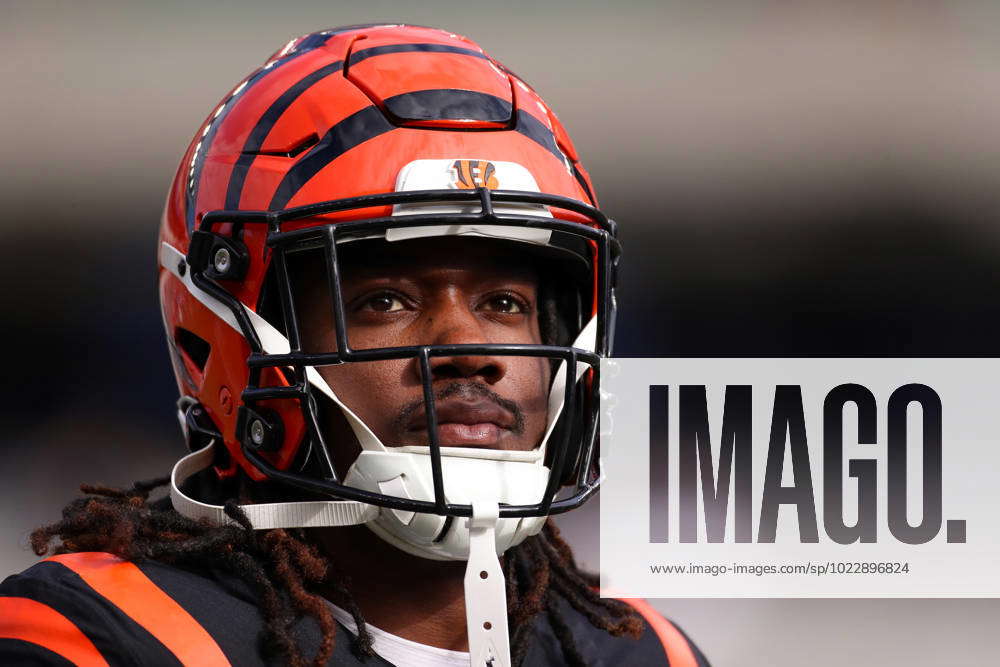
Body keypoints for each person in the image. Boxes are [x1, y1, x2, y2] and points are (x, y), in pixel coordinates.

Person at [0, 24, 710, 667]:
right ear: (224, 340)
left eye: (504, 303)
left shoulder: (649, 652)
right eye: (385, 301)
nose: (470, 347)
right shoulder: (102, 642)